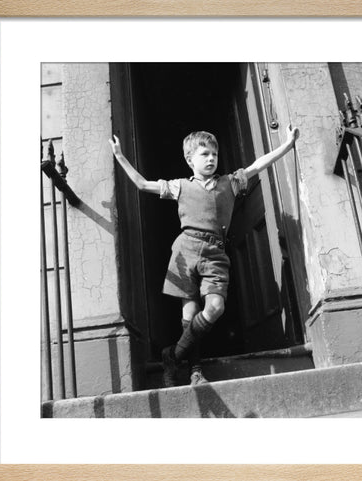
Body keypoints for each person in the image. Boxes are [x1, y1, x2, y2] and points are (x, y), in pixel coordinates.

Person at [109, 124, 299, 388]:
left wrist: (287, 145)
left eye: (214, 154)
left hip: (215, 254)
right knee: (189, 314)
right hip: (184, 251)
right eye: (204, 154)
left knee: (215, 308)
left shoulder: (230, 183)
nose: (211, 158)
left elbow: (259, 164)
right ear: (190, 160)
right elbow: (142, 184)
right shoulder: (179, 187)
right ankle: (195, 372)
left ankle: (172, 355)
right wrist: (119, 156)